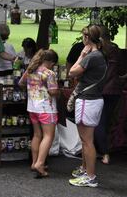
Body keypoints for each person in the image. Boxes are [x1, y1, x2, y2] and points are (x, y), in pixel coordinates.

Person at [68, 25, 109, 188]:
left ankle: (90, 176)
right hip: (94, 99)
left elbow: (72, 72)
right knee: (86, 140)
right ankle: (86, 171)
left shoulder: (92, 56)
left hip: (88, 100)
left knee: (87, 141)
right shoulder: (100, 55)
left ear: (87, 38)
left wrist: (81, 54)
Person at [19, 49, 59, 178]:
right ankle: (40, 164)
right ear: (51, 62)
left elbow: (21, 83)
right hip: (46, 108)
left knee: (37, 135)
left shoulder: (30, 70)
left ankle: (34, 162)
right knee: (48, 136)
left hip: (32, 108)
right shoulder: (49, 73)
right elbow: (53, 92)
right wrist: (59, 92)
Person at [94, 26, 124, 165]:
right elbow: (121, 71)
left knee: (99, 122)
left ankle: (104, 152)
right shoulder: (116, 50)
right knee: (106, 121)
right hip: (115, 90)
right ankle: (102, 150)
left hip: (102, 90)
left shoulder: (99, 52)